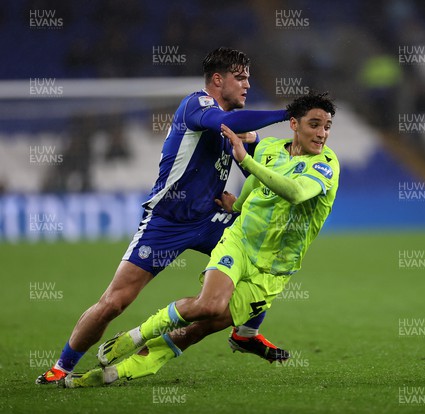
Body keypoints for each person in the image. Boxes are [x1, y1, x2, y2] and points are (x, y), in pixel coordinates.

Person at [36, 47, 292, 385]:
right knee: (115, 302)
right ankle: (62, 367)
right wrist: (286, 112)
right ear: (218, 79)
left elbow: (267, 156)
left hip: (209, 218)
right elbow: (228, 123)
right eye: (240, 77)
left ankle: (245, 333)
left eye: (249, 77)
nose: (247, 84)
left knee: (268, 254)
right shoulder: (197, 105)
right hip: (166, 221)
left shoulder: (236, 127)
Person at [64, 92, 339, 387]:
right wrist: (238, 205)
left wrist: (246, 160)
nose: (322, 134)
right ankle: (136, 336)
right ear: (294, 124)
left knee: (198, 330)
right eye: (315, 125)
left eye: (327, 127)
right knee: (209, 304)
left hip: (273, 271)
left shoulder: (326, 165)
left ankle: (110, 374)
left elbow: (295, 192)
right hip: (240, 242)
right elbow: (255, 183)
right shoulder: (270, 148)